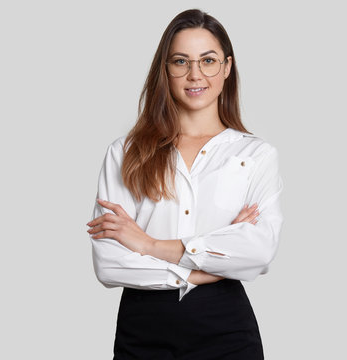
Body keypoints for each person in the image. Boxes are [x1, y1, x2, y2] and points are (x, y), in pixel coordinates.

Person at [86, 8, 284, 360]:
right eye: (181, 61)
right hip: (142, 332)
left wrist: (147, 244)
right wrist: (211, 265)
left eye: (208, 61)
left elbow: (257, 252)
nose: (195, 74)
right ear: (165, 70)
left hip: (227, 330)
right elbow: (110, 262)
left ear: (226, 68)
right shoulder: (125, 153)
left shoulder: (255, 154)